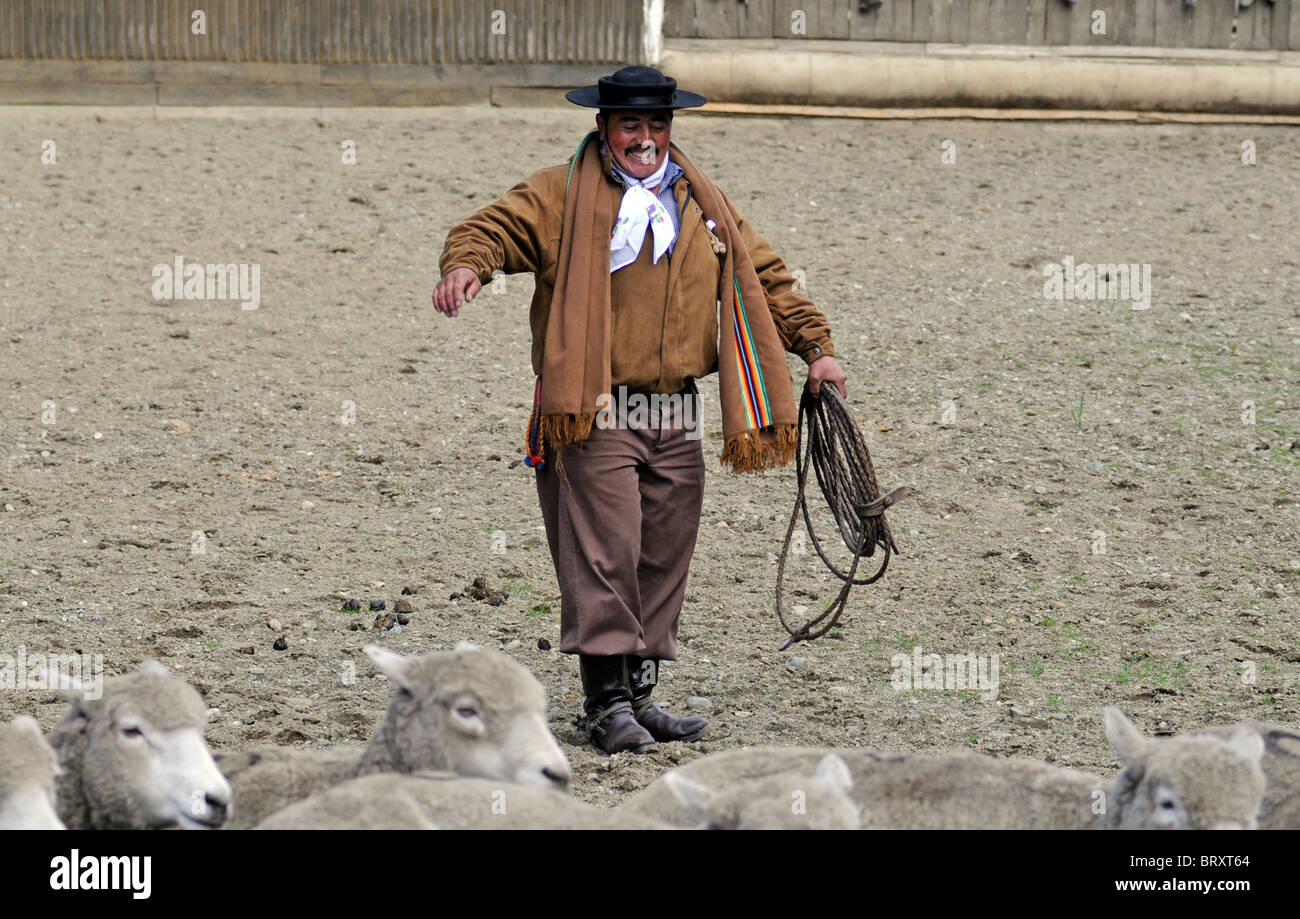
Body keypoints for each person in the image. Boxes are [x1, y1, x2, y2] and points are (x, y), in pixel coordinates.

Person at [433, 65, 846, 754]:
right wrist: (467, 266)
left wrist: (817, 347)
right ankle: (605, 705)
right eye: (632, 125)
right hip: (592, 410)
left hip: (677, 413)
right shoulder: (560, 192)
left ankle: (641, 695)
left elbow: (766, 275)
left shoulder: (702, 201)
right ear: (604, 127)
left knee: (661, 556)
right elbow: (492, 228)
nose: (646, 139)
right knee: (606, 552)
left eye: (657, 125)